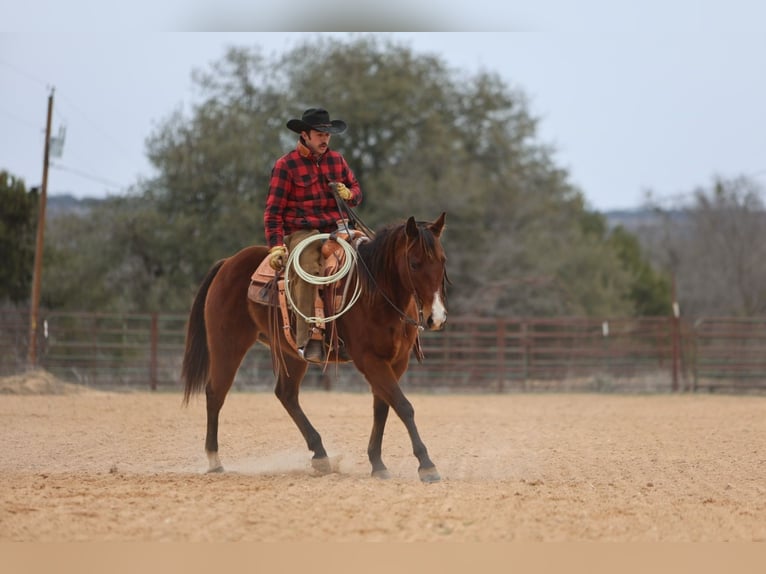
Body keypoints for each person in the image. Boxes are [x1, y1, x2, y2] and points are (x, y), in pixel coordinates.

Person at [264, 107, 362, 362]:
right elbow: (273, 212)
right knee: (308, 269)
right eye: (319, 134)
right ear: (304, 135)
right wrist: (276, 246)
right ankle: (306, 337)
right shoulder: (285, 166)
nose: (325, 139)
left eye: (327, 134)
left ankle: (358, 330)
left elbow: (357, 191)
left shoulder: (337, 161)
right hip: (303, 231)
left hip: (337, 227)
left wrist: (349, 194)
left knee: (369, 257)